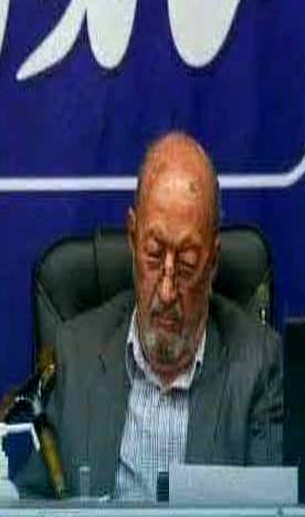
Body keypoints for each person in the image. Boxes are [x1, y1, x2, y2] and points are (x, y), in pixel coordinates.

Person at [19, 131, 282, 500]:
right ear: (132, 237)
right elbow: (33, 502)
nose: (167, 291)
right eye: (154, 255)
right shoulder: (76, 354)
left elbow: (274, 508)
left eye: (187, 265)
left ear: (212, 262)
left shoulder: (259, 364)